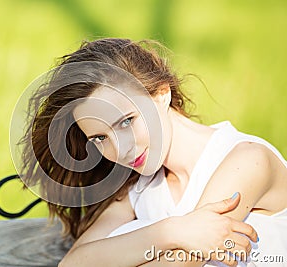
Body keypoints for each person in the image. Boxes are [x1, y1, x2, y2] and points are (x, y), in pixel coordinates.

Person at [17, 38, 286, 266]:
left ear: (161, 94)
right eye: (100, 138)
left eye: (126, 121)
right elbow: (74, 263)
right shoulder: (140, 187)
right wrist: (171, 230)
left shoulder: (247, 161)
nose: (120, 149)